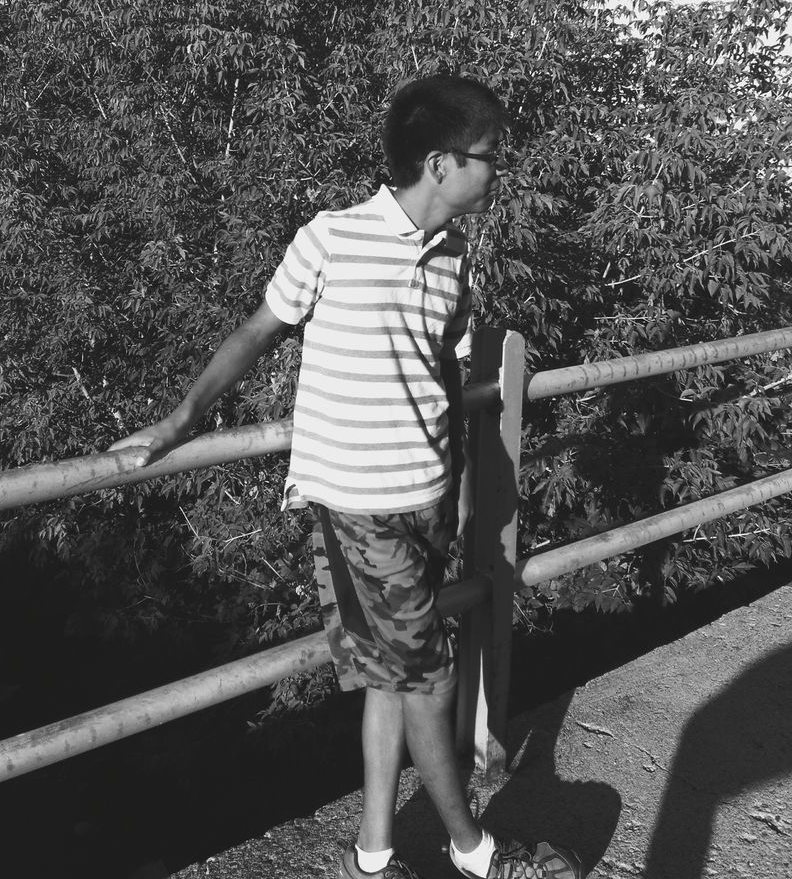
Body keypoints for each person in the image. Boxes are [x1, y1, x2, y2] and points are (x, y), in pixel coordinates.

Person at [109, 74, 583, 879]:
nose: (497, 173)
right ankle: (481, 856)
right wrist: (180, 419)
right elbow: (259, 330)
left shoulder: (453, 256)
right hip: (360, 504)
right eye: (489, 158)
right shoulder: (331, 236)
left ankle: (372, 856)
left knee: (390, 678)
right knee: (429, 677)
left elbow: (440, 364)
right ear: (441, 163)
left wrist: (459, 479)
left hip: (425, 494)